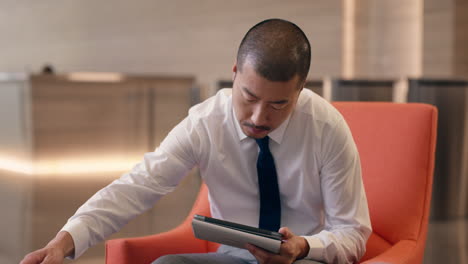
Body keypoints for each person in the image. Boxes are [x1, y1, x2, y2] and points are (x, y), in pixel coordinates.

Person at [21, 18, 371, 264]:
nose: (258, 117)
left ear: (301, 89)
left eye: (279, 104)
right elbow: (137, 186)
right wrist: (64, 241)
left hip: (304, 261)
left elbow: (351, 235)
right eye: (248, 97)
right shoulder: (205, 123)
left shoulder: (326, 127)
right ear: (234, 73)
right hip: (234, 260)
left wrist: (303, 247)